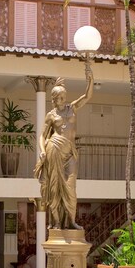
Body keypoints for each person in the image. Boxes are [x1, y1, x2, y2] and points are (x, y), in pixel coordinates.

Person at [34, 59, 94, 230]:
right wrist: (42, 151)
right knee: (55, 190)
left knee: (70, 188)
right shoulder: (51, 115)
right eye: (60, 97)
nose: (63, 99)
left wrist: (90, 79)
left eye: (64, 96)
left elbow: (87, 97)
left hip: (69, 153)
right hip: (54, 150)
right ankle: (57, 223)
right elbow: (41, 136)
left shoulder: (72, 108)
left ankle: (71, 221)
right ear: (54, 99)